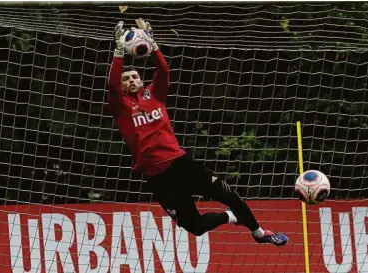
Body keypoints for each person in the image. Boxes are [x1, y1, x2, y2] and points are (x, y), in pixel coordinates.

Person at [107, 19, 288, 246]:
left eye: (134, 76)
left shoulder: (155, 95)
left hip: (180, 164)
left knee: (227, 192)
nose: (131, 80)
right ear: (123, 86)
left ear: (141, 80)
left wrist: (152, 44)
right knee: (196, 227)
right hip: (157, 178)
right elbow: (112, 86)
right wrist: (119, 52)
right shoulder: (121, 107)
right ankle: (230, 216)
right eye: (126, 78)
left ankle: (259, 233)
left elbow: (162, 69)